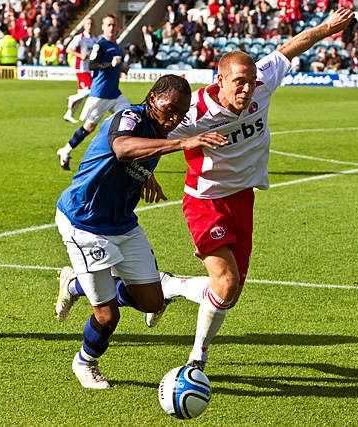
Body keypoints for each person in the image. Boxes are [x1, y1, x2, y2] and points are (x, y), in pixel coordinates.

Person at [143, 8, 355, 372]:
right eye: (239, 81)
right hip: (205, 201)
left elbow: (289, 49)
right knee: (224, 284)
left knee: (230, 292)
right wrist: (144, 171)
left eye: (251, 81)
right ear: (220, 80)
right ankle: (197, 360)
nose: (247, 88)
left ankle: (169, 287)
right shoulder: (193, 114)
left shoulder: (262, 83)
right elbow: (146, 134)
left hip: (244, 198)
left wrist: (326, 27)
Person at [53, 75, 227, 389]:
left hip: (122, 222)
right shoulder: (130, 116)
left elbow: (131, 157)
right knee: (107, 317)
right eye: (169, 108)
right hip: (85, 222)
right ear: (151, 99)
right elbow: (121, 147)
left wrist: (146, 176)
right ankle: (85, 362)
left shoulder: (159, 130)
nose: (174, 119)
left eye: (181, 114)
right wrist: (184, 142)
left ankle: (75, 284)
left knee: (152, 301)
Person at [56, 14, 130, 171]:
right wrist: (111, 64)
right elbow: (92, 65)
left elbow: (114, 65)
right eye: (109, 25)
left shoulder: (116, 45)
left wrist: (121, 68)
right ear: (103, 27)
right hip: (100, 94)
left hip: (115, 94)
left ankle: (124, 160)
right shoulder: (100, 44)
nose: (111, 28)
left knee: (130, 118)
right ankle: (66, 151)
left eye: (114, 25)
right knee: (89, 128)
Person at [63, 18, 98, 124]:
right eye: (87, 24)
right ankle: (72, 98)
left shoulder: (95, 39)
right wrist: (80, 55)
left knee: (82, 94)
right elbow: (68, 49)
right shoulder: (80, 38)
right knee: (90, 91)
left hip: (90, 69)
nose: (90, 26)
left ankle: (69, 114)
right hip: (81, 68)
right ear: (84, 26)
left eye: (91, 24)